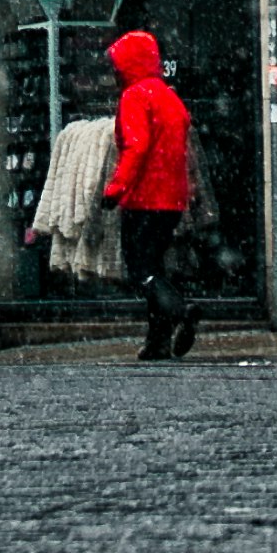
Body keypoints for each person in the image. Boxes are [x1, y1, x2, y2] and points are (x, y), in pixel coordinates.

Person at [102, 23, 198, 362]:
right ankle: (157, 340)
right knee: (155, 265)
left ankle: (179, 312)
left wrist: (115, 189)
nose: (114, 73)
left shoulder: (135, 96)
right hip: (171, 198)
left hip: (145, 197)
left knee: (141, 268)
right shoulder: (168, 97)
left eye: (116, 66)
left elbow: (136, 146)